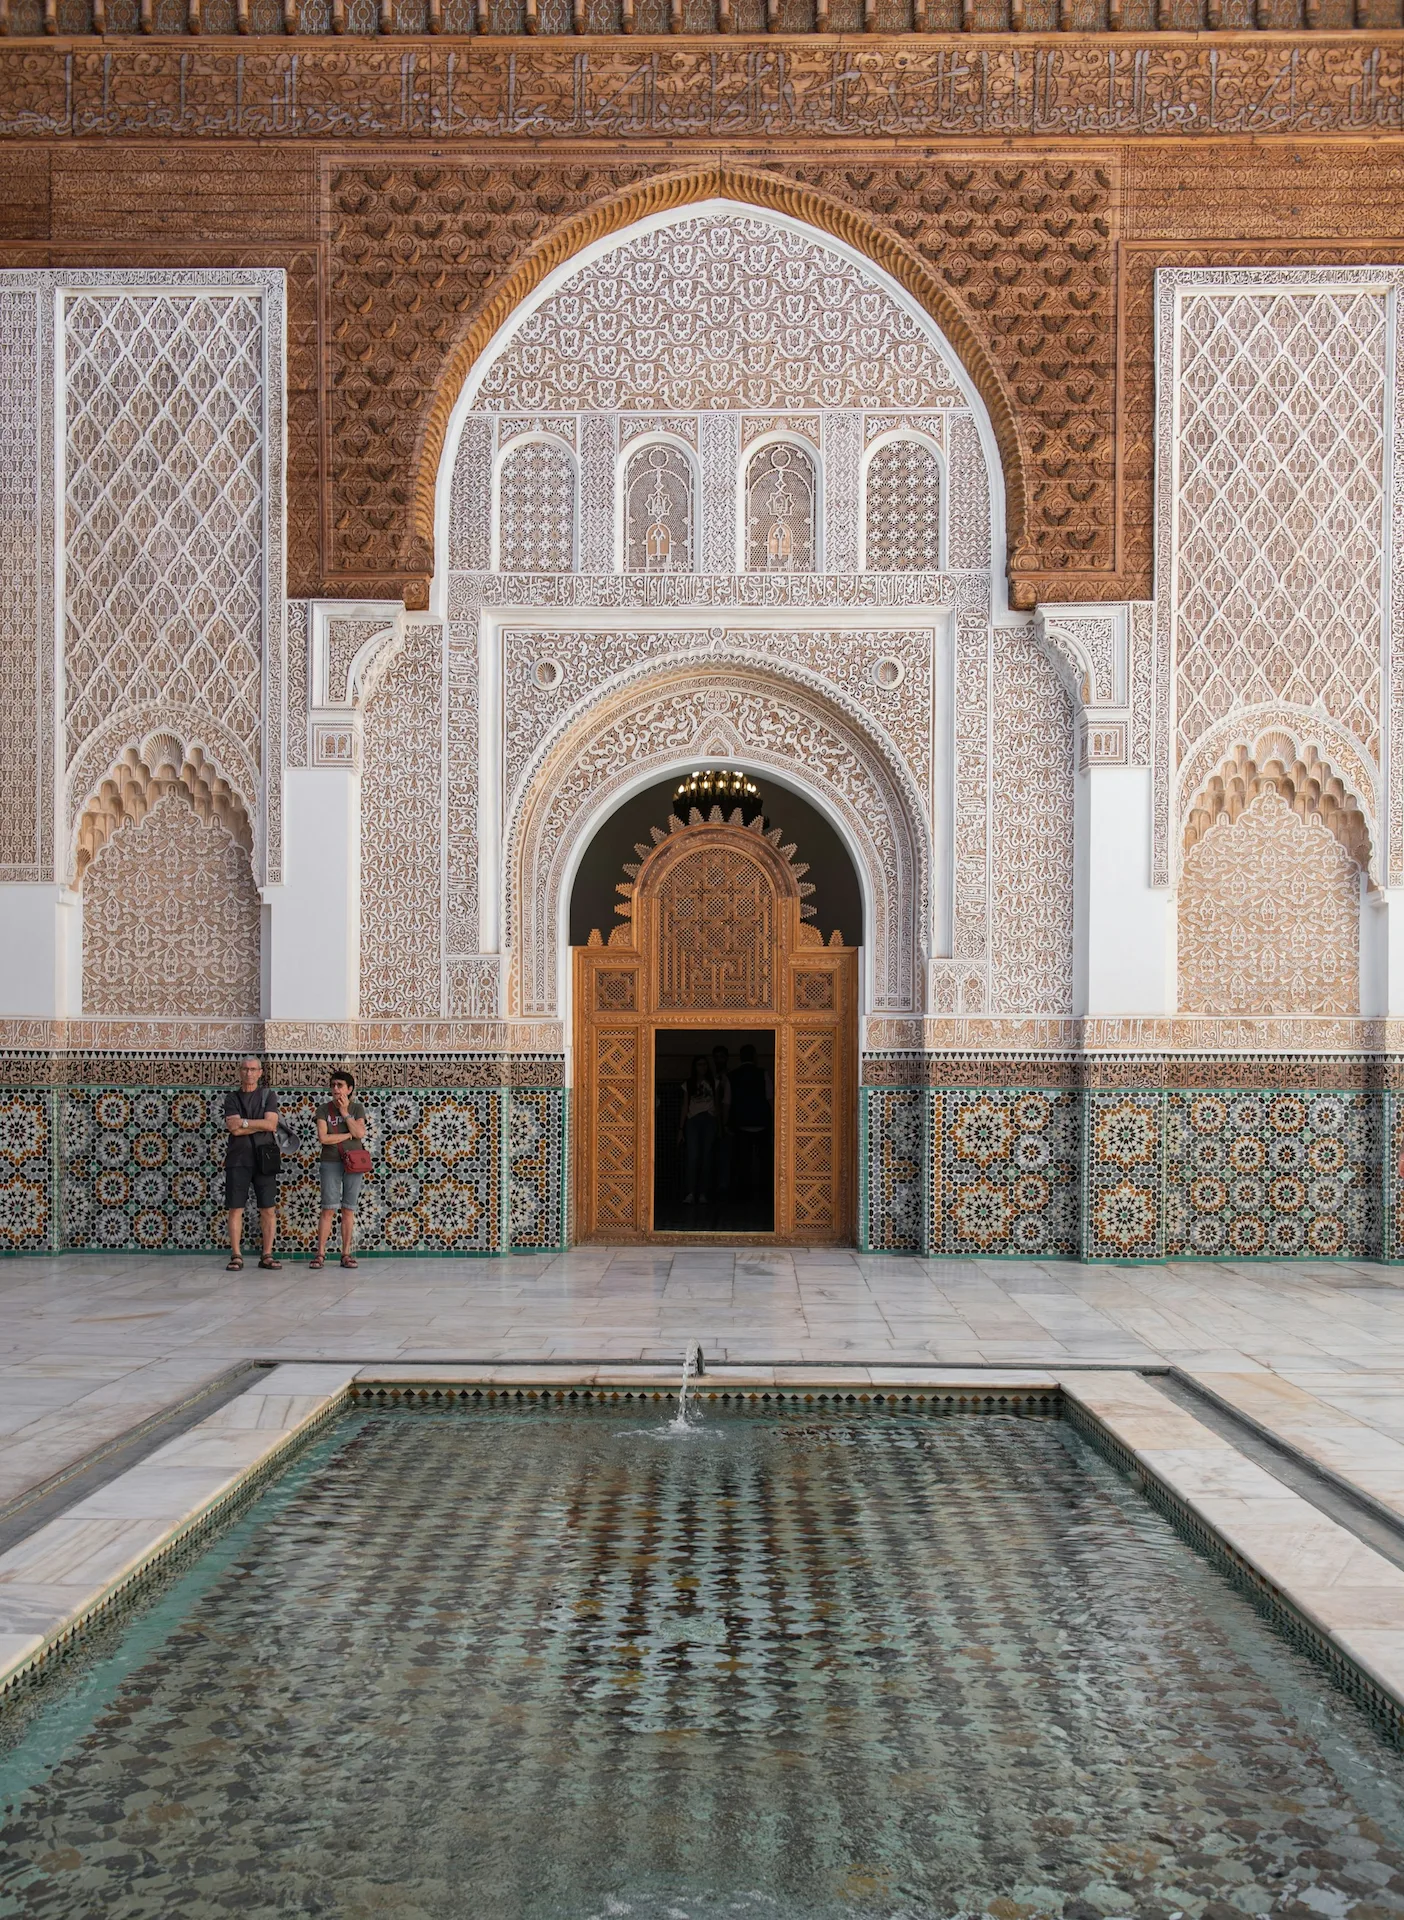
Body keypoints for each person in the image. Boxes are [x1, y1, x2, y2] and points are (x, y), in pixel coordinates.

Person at [223, 1056, 281, 1272]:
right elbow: (234, 1129)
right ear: (240, 1072)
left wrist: (245, 1123)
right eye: (245, 1069)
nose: (249, 1073)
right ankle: (236, 1255)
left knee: (268, 1208)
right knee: (235, 1207)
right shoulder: (232, 1098)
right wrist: (259, 1125)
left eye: (253, 1069)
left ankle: (267, 1254)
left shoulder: (268, 1096)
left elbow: (271, 1124)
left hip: (264, 1160)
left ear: (260, 1073)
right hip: (238, 1160)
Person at [311, 1069, 369, 1270]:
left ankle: (345, 1253)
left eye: (340, 1085)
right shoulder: (323, 1110)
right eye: (333, 1085)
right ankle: (320, 1253)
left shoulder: (357, 1108)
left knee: (348, 1209)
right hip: (330, 1161)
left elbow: (360, 1132)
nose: (335, 1089)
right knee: (328, 1208)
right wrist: (347, 1135)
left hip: (354, 1162)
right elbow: (324, 1138)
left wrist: (345, 1113)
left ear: (349, 1089)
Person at [728, 1043, 774, 1209]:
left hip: (741, 1124)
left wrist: (726, 1123)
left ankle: (743, 1194)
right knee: (764, 1161)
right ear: (755, 1056)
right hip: (761, 1123)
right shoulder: (763, 1074)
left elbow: (727, 1102)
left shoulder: (732, 1076)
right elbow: (770, 1098)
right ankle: (766, 1193)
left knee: (743, 1162)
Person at [677, 1055, 718, 1206]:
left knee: (706, 1157)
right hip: (693, 1120)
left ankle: (703, 1192)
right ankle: (691, 1192)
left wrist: (719, 1124)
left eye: (705, 1064)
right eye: (699, 1065)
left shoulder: (714, 1082)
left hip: (709, 1118)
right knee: (693, 1157)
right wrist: (681, 1128)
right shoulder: (689, 1084)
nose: (702, 1067)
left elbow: (718, 1103)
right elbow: (685, 1105)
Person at [710, 1042, 733, 1199]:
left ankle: (724, 1187)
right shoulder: (711, 1078)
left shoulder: (730, 1077)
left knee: (726, 1155)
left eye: (721, 1057)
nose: (719, 1060)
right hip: (713, 1120)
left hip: (727, 1121)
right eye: (716, 1057)